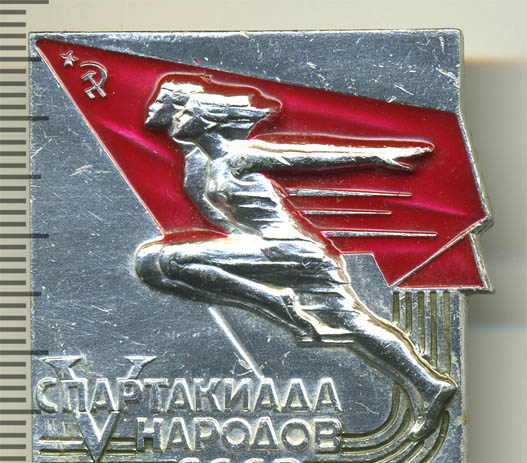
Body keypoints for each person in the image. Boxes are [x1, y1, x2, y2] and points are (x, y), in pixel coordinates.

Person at [135, 79, 456, 440]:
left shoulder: (239, 155)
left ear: (206, 121)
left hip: (282, 249)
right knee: (355, 325)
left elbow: (303, 156)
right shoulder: (207, 163)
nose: (177, 118)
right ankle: (429, 383)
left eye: (185, 113)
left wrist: (375, 156)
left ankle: (277, 301)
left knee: (171, 259)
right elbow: (204, 187)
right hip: (299, 255)